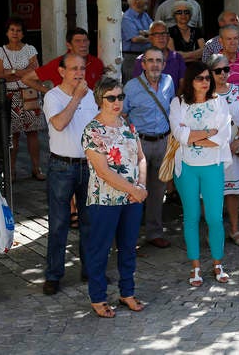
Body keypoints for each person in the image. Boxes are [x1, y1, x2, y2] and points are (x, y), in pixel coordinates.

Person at [81, 77, 148, 317]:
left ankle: (127, 292)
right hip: (105, 201)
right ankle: (98, 297)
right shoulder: (92, 131)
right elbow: (103, 171)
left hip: (131, 200)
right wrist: (135, 190)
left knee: (129, 248)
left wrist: (141, 185)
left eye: (120, 97)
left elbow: (141, 157)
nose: (117, 102)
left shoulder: (128, 126)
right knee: (100, 250)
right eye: (111, 97)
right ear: (100, 100)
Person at [169, 62, 233, 286]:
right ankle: (195, 266)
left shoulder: (219, 102)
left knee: (215, 218)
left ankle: (217, 263)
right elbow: (179, 134)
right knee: (191, 217)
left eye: (207, 78)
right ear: (190, 81)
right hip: (186, 167)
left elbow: (223, 137)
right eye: (200, 78)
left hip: (213, 166)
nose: (205, 82)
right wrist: (207, 134)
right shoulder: (178, 103)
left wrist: (194, 136)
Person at [41, 53, 99, 296]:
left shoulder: (90, 95)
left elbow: (96, 125)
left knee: (90, 222)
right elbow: (59, 124)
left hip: (88, 165)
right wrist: (76, 97)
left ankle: (90, 270)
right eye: (73, 68)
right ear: (61, 71)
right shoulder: (52, 96)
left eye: (82, 68)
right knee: (58, 223)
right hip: (61, 167)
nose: (79, 73)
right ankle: (53, 274)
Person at [123, 47, 175, 249]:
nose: (155, 64)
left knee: (157, 191)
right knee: (136, 191)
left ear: (163, 64)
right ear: (143, 64)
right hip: (139, 144)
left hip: (162, 142)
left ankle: (154, 233)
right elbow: (123, 114)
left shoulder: (169, 82)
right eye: (150, 60)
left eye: (158, 61)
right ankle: (130, 238)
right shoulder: (131, 87)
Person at [0, 17, 45, 181]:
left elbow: (35, 72)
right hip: (11, 96)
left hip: (30, 94)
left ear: (23, 33)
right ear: (7, 32)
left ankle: (36, 168)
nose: (15, 33)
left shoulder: (30, 49)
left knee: (32, 133)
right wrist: (23, 71)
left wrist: (12, 71)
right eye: (12, 30)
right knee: (13, 135)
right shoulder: (0, 51)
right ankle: (11, 170)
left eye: (18, 30)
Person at [208, 53, 239, 246]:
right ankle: (214, 231)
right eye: (218, 71)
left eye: (226, 69)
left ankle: (234, 229)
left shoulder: (237, 91)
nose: (223, 74)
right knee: (212, 194)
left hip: (234, 149)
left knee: (233, 193)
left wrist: (238, 139)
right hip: (212, 151)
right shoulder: (204, 94)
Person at [22, 27, 105, 93]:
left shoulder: (97, 63)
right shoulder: (58, 63)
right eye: (77, 41)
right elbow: (26, 79)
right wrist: (51, 93)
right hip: (65, 110)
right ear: (69, 45)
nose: (83, 44)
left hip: (90, 110)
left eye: (85, 40)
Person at [132, 20, 187, 90]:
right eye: (156, 34)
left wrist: (175, 100)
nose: (161, 37)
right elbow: (137, 87)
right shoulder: (141, 60)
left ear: (168, 37)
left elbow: (183, 84)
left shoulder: (177, 58)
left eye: (164, 33)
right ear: (150, 38)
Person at [202, 11, 239, 78]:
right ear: (221, 23)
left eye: (237, 20)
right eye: (232, 20)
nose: (236, 23)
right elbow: (205, 71)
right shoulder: (210, 45)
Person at [121, 0, 152, 81]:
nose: (147, 1)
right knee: (132, 83)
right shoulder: (127, 18)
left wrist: (144, 33)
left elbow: (154, 30)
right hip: (132, 58)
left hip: (145, 56)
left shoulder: (145, 15)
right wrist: (151, 38)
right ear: (137, 1)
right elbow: (135, 39)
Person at [168, 0, 205, 64]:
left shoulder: (197, 31)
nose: (183, 15)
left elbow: (204, 52)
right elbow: (173, 56)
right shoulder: (170, 31)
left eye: (186, 12)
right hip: (178, 67)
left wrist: (183, 55)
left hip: (197, 67)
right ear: (174, 15)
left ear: (190, 15)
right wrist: (195, 56)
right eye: (179, 12)